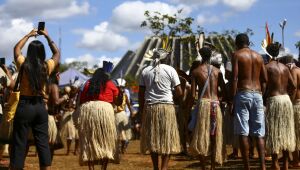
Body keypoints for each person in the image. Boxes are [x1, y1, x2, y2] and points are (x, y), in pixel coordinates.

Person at [9, 28, 60, 170]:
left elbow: (16, 49)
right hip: (40, 106)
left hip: (24, 106)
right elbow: (57, 53)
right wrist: (48, 37)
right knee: (42, 142)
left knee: (20, 142)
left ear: (29, 52)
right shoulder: (46, 66)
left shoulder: (23, 65)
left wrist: (29, 35)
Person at [139, 48, 182, 170]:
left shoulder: (145, 71)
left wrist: (142, 111)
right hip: (167, 107)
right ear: (166, 58)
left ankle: (156, 168)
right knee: (167, 138)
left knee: (153, 139)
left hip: (150, 107)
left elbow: (141, 94)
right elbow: (179, 92)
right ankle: (164, 168)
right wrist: (171, 96)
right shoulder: (171, 70)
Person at [231, 33, 268, 170]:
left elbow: (234, 79)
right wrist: (260, 94)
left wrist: (232, 100)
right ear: (249, 42)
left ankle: (247, 167)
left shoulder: (237, 55)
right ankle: (263, 166)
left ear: (237, 43)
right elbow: (265, 80)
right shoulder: (258, 56)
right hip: (257, 94)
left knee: (243, 131)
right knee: (259, 132)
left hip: (243, 93)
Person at [78, 65, 122, 170]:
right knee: (106, 141)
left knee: (89, 140)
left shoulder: (88, 83)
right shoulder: (110, 84)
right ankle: (103, 168)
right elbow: (118, 102)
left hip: (89, 110)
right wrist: (120, 94)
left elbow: (81, 101)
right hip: (106, 111)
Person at [189, 47, 225, 170]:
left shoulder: (195, 71)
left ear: (200, 55)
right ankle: (213, 166)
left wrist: (189, 107)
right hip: (215, 104)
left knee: (201, 135)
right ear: (211, 56)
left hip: (203, 104)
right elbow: (224, 91)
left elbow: (193, 94)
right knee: (215, 136)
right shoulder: (217, 71)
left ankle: (204, 166)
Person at [265, 43, 296, 170]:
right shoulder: (285, 68)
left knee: (274, 132)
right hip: (286, 100)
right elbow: (293, 86)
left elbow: (263, 85)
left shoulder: (267, 67)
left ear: (267, 54)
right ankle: (286, 165)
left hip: (274, 100)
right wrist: (290, 99)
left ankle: (275, 164)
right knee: (286, 132)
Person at [47, 67, 69, 160]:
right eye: (59, 75)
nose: (60, 77)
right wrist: (64, 97)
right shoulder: (54, 86)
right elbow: (56, 101)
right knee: (50, 144)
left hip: (42, 116)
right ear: (56, 76)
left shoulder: (44, 85)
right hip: (50, 118)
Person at [115, 78, 133, 154]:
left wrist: (131, 112)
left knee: (121, 132)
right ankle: (121, 148)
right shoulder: (122, 94)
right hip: (120, 114)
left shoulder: (124, 95)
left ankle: (122, 147)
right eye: (120, 87)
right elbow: (128, 104)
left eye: (122, 87)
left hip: (120, 114)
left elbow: (128, 104)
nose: (121, 89)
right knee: (120, 133)